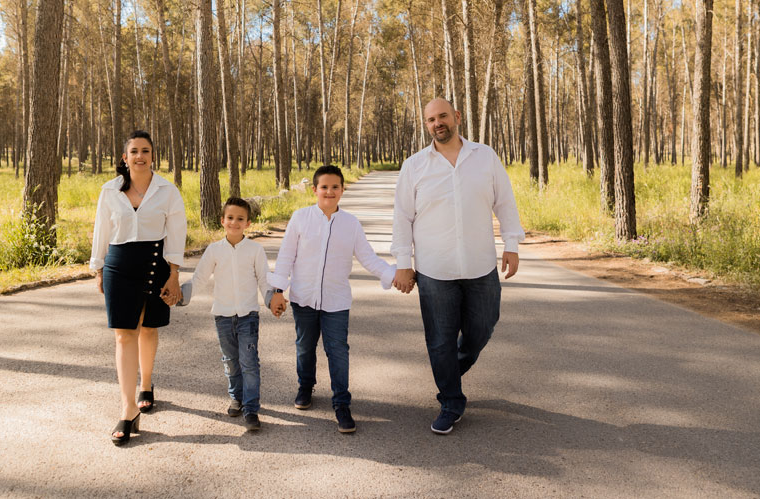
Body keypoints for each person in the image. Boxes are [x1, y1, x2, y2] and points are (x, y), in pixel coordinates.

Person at [390, 98, 525, 435]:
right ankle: (451, 400)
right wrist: (403, 264)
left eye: (443, 116)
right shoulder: (415, 166)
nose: (438, 123)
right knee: (440, 341)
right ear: (427, 125)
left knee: (482, 328)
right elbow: (402, 219)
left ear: (457, 117)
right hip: (435, 271)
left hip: (481, 266)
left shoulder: (485, 157)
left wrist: (511, 245)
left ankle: (449, 370)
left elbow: (505, 202)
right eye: (431, 119)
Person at [268, 165, 395, 434]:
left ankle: (341, 403)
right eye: (324, 187)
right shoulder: (300, 218)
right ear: (314, 190)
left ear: (342, 190)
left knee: (338, 351)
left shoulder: (350, 224)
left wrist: (393, 275)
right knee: (304, 346)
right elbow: (285, 257)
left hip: (336, 302)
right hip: (303, 299)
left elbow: (368, 257)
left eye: (335, 187)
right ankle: (305, 387)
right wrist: (278, 290)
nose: (329, 191)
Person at [90, 130, 186, 446]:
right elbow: (101, 229)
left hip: (154, 263)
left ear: (153, 155)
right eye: (134, 151)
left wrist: (173, 274)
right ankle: (128, 408)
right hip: (118, 263)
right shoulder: (110, 190)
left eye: (146, 150)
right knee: (123, 333)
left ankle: (147, 384)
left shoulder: (167, 191)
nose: (140, 156)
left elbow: (176, 233)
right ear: (125, 157)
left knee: (147, 329)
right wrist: (99, 267)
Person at [190, 196, 277, 432]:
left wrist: (270, 299)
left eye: (240, 219)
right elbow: (199, 277)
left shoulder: (255, 250)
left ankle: (251, 409)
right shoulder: (214, 250)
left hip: (248, 316)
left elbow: (264, 279)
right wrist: (182, 295)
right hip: (223, 316)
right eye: (230, 218)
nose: (234, 222)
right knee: (230, 361)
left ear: (248, 223)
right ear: (222, 221)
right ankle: (236, 398)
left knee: (249, 363)